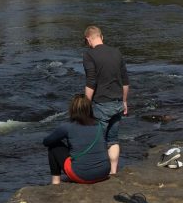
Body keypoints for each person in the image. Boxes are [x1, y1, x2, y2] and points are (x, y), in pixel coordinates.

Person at [82, 25, 129, 175]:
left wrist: (86, 104)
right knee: (113, 140)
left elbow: (91, 82)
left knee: (97, 140)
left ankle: (97, 171)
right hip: (117, 102)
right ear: (101, 37)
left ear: (88, 39)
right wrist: (124, 101)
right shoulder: (116, 52)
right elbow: (125, 81)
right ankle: (113, 171)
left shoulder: (89, 55)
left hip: (101, 103)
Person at [42, 94, 110, 184]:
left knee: (54, 146)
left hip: (82, 175)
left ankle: (55, 182)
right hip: (104, 172)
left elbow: (46, 142)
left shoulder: (67, 127)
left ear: (72, 109)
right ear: (89, 109)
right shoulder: (99, 125)